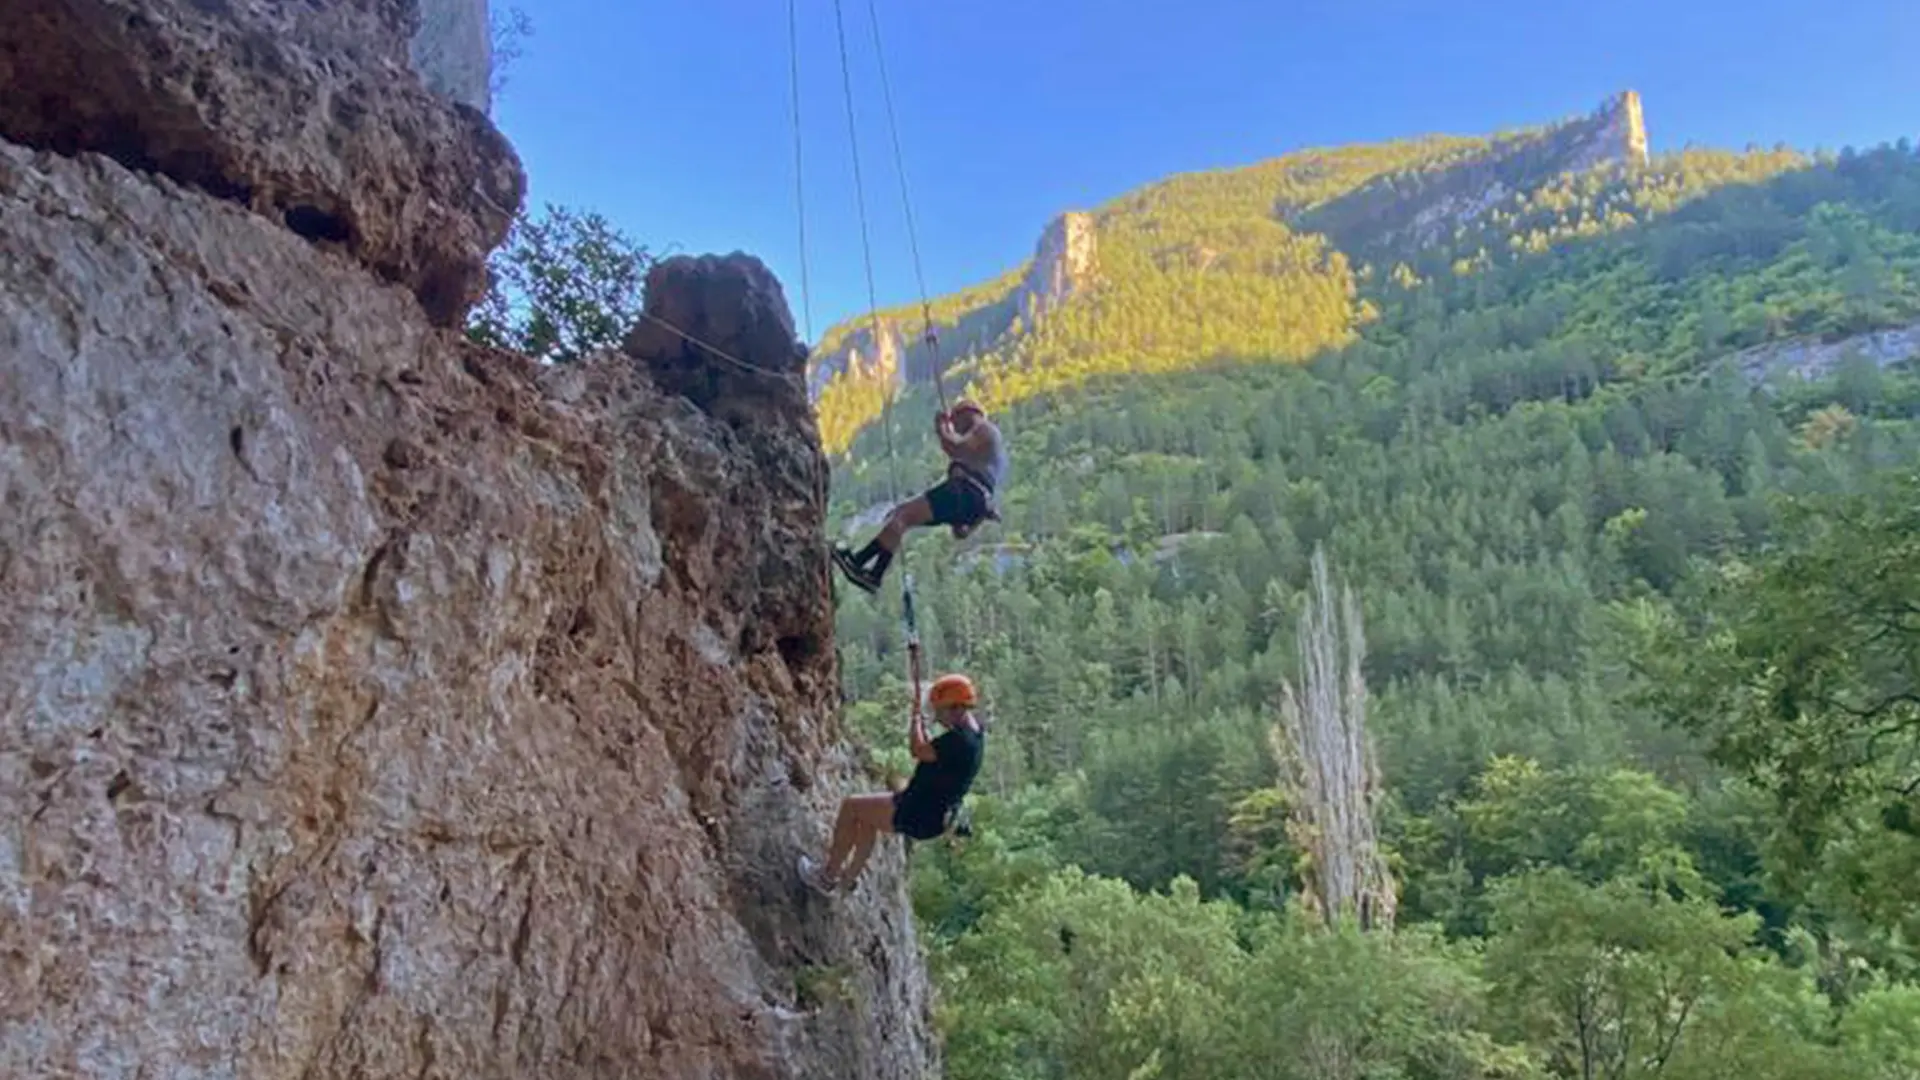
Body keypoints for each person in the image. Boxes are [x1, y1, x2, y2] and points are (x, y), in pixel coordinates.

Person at [800, 664, 986, 894]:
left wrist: (915, 718)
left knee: (851, 807)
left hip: (917, 811)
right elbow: (935, 756)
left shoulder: (959, 741)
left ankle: (827, 876)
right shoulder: (976, 735)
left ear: (957, 709)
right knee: (867, 818)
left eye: (941, 711)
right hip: (930, 812)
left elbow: (918, 750)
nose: (938, 718)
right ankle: (848, 879)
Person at [832, 398, 1008, 593]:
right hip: (975, 502)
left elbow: (954, 447)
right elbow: (961, 533)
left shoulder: (983, 428)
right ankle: (869, 572)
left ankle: (862, 565)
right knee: (901, 517)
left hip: (964, 491)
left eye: (956, 422)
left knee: (901, 516)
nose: (956, 427)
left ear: (967, 413)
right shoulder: (984, 461)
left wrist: (941, 427)